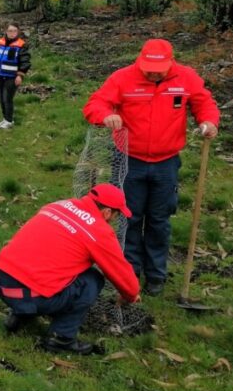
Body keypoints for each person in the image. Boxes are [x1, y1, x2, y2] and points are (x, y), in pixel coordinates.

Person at [83, 38, 220, 295]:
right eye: (148, 68)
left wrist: (209, 122)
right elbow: (95, 104)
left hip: (166, 162)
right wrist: (106, 115)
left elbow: (204, 103)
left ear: (171, 63)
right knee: (129, 217)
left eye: (159, 69)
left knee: (159, 219)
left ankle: (156, 273)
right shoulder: (123, 78)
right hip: (129, 161)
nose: (153, 73)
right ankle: (130, 268)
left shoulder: (186, 78)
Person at [0, 184, 141, 355]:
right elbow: (122, 274)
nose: (114, 220)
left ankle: (19, 315)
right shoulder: (99, 231)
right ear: (107, 212)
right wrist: (130, 294)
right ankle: (61, 338)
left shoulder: (58, 205)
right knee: (92, 280)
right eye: (116, 215)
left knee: (50, 265)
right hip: (30, 294)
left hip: (2, 282)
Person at [0, 23, 31, 129]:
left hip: (12, 77)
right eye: (10, 31)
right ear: (6, 31)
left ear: (18, 32)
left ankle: (9, 121)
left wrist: (20, 75)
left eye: (14, 31)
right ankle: (5, 118)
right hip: (0, 76)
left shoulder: (21, 45)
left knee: (7, 99)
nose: (12, 33)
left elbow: (25, 62)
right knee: (0, 98)